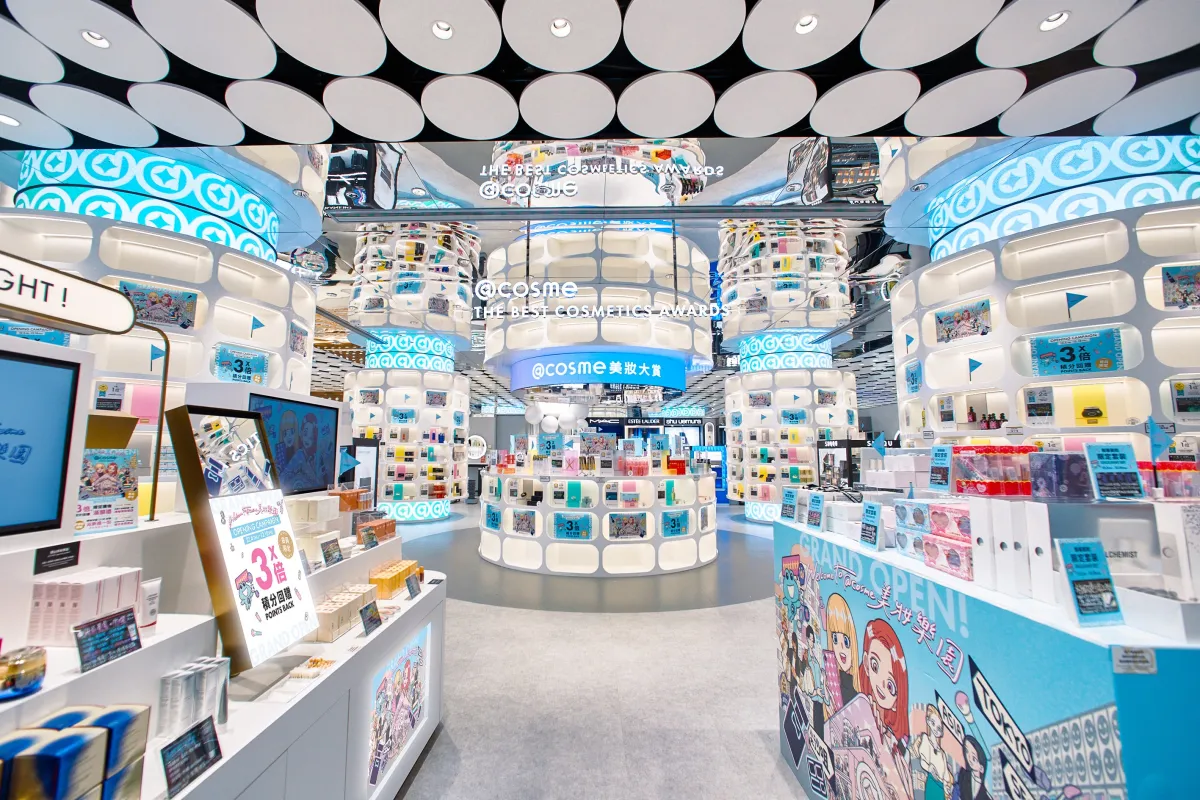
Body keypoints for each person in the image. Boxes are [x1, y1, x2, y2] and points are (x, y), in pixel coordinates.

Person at [859, 619, 910, 757]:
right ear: (866, 663)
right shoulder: (859, 702)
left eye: (890, 686)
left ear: (897, 701)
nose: (881, 684)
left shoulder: (895, 741)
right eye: (875, 666)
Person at [824, 593, 860, 717]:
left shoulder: (856, 696)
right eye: (835, 639)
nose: (841, 647)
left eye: (845, 641)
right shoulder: (831, 685)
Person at [912, 705, 956, 800]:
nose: (936, 729)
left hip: (941, 787)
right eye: (933, 723)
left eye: (939, 728)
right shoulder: (926, 740)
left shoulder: (942, 754)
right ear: (928, 721)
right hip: (932, 782)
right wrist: (929, 768)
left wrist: (946, 787)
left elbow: (945, 774)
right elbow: (923, 761)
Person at [951, 735, 992, 800]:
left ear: (981, 768)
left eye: (974, 758)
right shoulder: (963, 774)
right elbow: (955, 793)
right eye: (967, 751)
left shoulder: (985, 793)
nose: (969, 758)